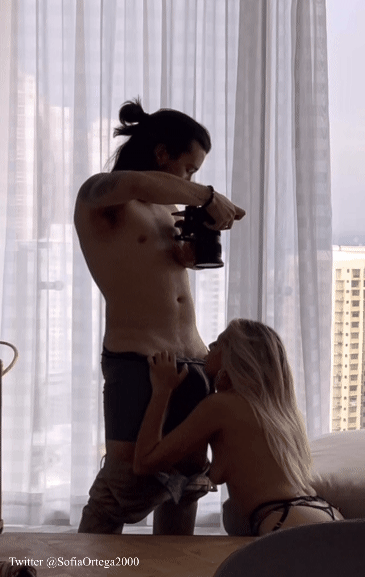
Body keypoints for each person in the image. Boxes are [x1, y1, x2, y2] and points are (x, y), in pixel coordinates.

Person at [74, 98, 245, 534]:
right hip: (139, 359)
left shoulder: (165, 211)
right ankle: (85, 566)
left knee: (184, 485)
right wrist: (207, 197)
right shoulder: (100, 196)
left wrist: (186, 254)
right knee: (119, 490)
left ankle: (171, 565)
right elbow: (134, 182)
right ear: (162, 153)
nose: (190, 181)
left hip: (194, 360)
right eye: (188, 169)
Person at [133, 319, 343, 536]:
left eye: (218, 342)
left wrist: (162, 389)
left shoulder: (221, 406)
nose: (209, 347)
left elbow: (144, 462)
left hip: (285, 521)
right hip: (324, 513)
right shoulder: (281, 412)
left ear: (235, 355)